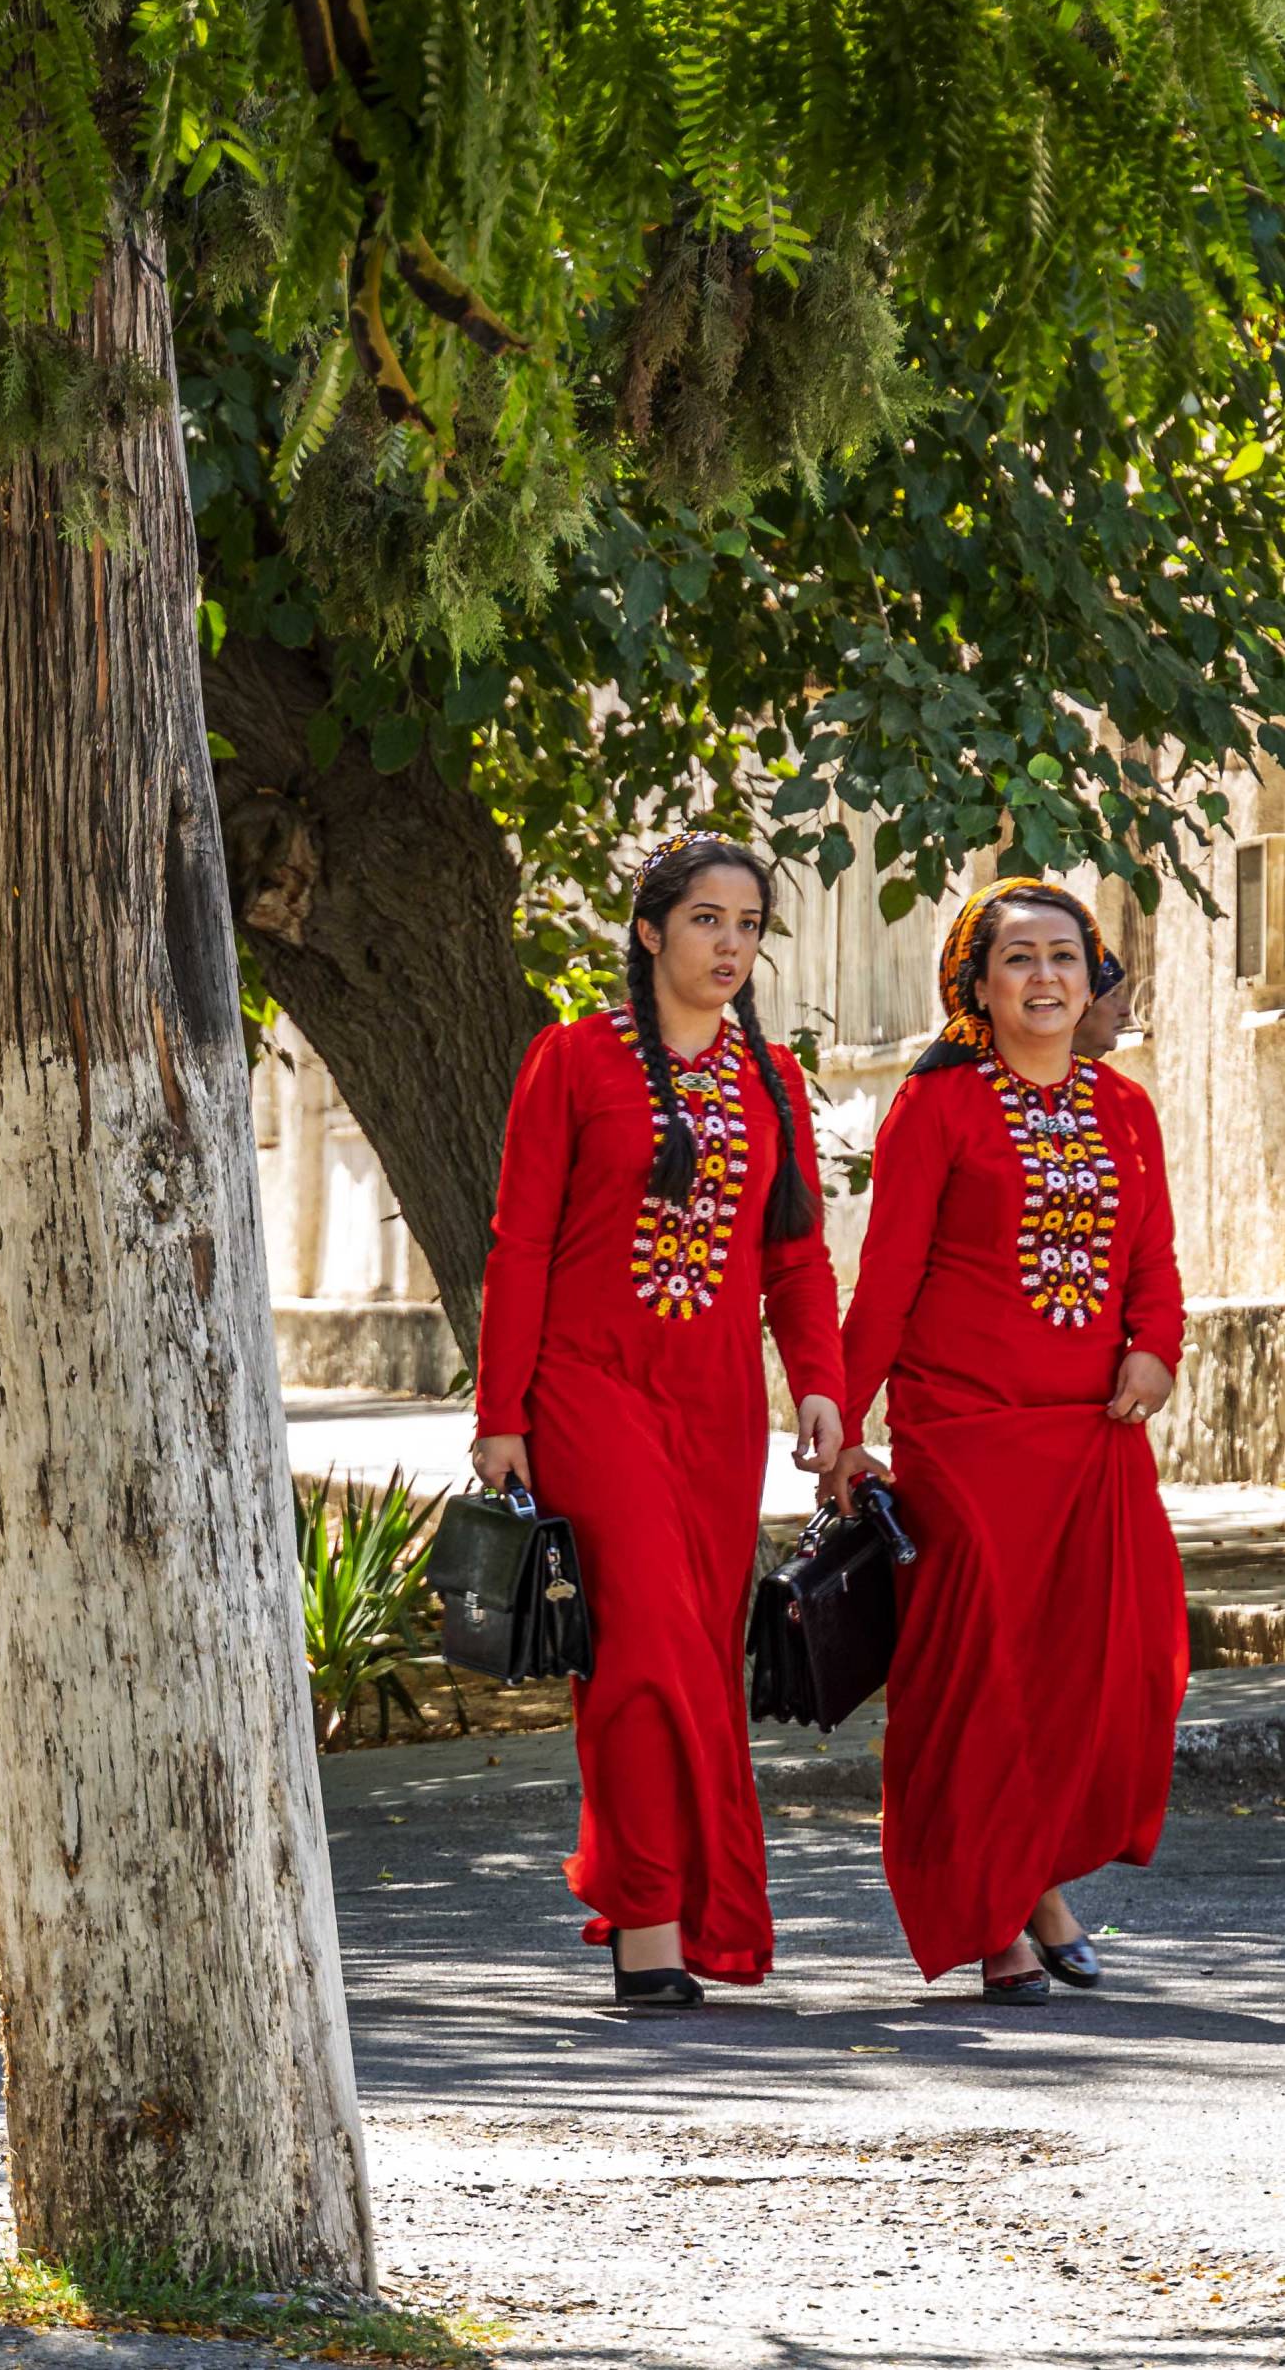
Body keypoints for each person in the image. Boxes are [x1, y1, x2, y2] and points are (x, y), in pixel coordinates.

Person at [472, 833, 844, 2008]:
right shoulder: (573, 1057)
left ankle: (695, 1906)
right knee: (636, 1646)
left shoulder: (772, 1079)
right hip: (590, 1390)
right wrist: (499, 1410)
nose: (730, 944)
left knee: (700, 1654)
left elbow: (794, 1258)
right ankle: (645, 1920)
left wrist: (820, 1383)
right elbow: (520, 1243)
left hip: (718, 1409)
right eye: (704, 920)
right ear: (648, 930)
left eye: (749, 925)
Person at [826, 880, 1186, 2003]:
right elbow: (887, 1278)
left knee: (1108, 1669)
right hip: (963, 1432)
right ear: (976, 987)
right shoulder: (935, 1106)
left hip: (1090, 1435)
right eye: (1019, 958)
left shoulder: (1124, 1108)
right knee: (981, 1676)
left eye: (1064, 957)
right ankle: (999, 1919)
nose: (1044, 977)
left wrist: (1155, 1348)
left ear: (1091, 978)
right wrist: (842, 1420)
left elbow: (1154, 1259)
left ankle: (1032, 1879)